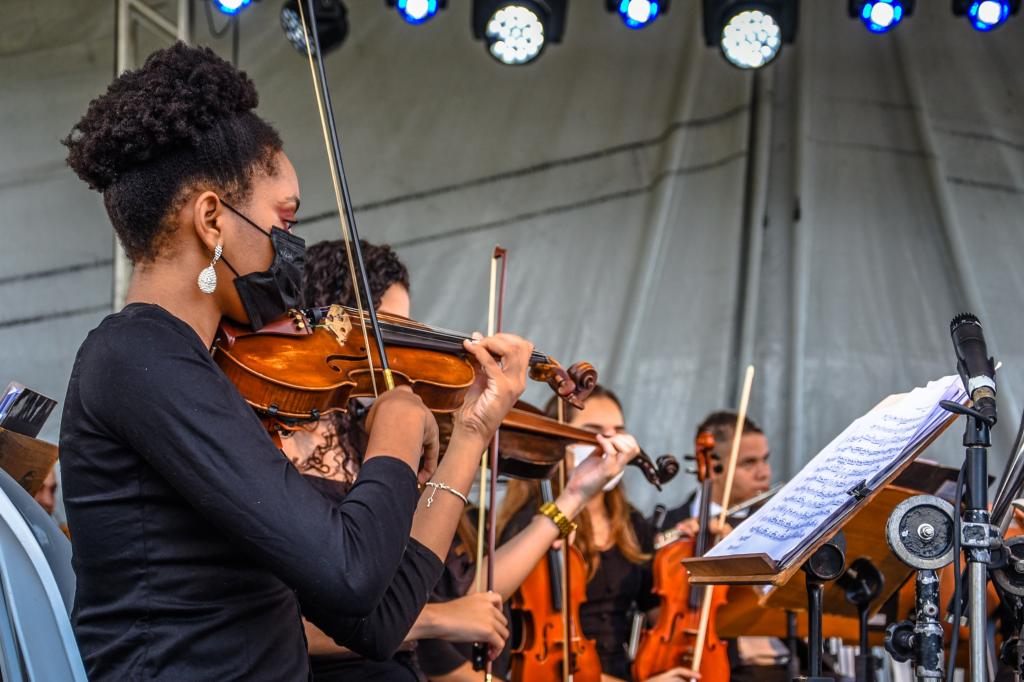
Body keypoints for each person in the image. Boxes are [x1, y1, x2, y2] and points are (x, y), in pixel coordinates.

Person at [59, 42, 531, 681]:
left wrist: (469, 433)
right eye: (283, 222)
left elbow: (379, 620)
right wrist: (396, 422)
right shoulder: (138, 356)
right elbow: (349, 571)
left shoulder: (198, 367)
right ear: (211, 219)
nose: (291, 248)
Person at [291, 239, 645, 681]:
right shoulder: (275, 435)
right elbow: (278, 624)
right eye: (386, 329)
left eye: (405, 330)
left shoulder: (374, 434)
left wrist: (570, 497)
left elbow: (463, 590)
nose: (398, 350)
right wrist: (437, 619)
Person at [494, 386, 697, 682]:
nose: (612, 445)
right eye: (593, 433)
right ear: (559, 441)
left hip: (624, 671)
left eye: (619, 433)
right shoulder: (533, 524)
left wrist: (689, 554)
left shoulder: (630, 522)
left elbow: (659, 613)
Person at [660, 412, 788, 682]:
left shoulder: (779, 528)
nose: (764, 472)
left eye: (765, 459)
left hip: (777, 668)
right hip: (688, 662)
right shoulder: (665, 524)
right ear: (712, 467)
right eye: (749, 463)